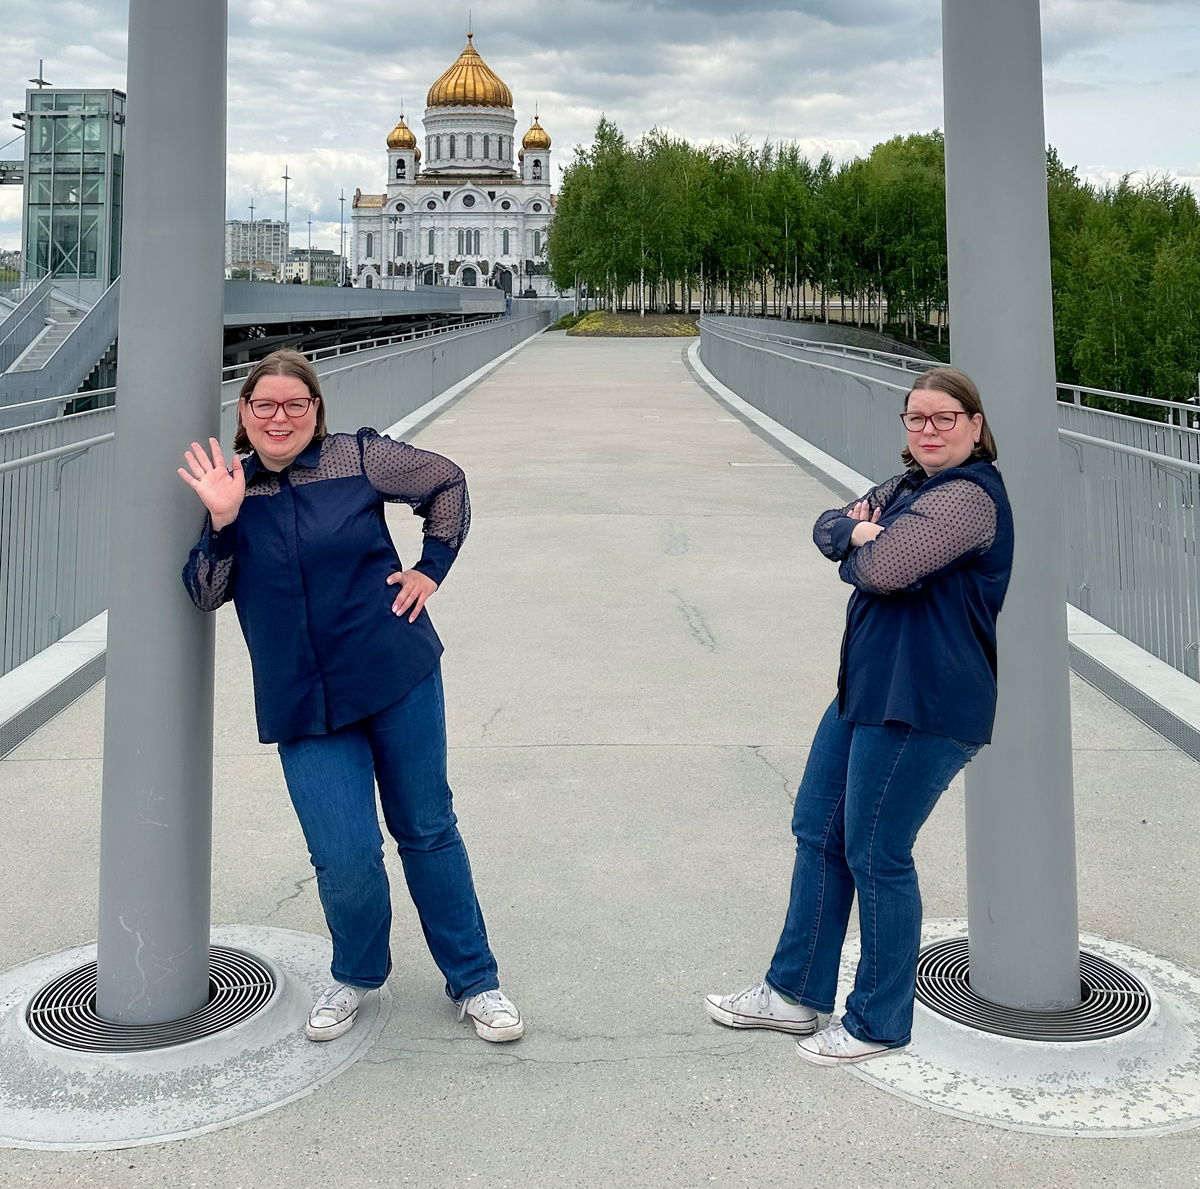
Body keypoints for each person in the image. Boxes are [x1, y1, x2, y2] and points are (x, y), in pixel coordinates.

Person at [179, 349, 522, 1045]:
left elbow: (447, 482)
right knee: (344, 854)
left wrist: (430, 569)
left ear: (315, 409)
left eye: (294, 404)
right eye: (264, 405)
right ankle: (358, 974)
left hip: (394, 673)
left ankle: (475, 980)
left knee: (426, 829)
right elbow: (205, 592)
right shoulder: (232, 488)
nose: (280, 417)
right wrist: (222, 520)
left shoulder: (358, 458)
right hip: (304, 702)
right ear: (244, 413)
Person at [704, 366, 1013, 1065]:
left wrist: (864, 543)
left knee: (877, 852)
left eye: (944, 417)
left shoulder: (970, 497)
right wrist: (857, 533)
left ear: (974, 425)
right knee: (818, 828)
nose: (928, 429)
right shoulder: (911, 487)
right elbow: (826, 525)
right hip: (868, 689)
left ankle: (878, 1022)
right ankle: (794, 993)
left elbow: (884, 570)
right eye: (916, 417)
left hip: (925, 702)